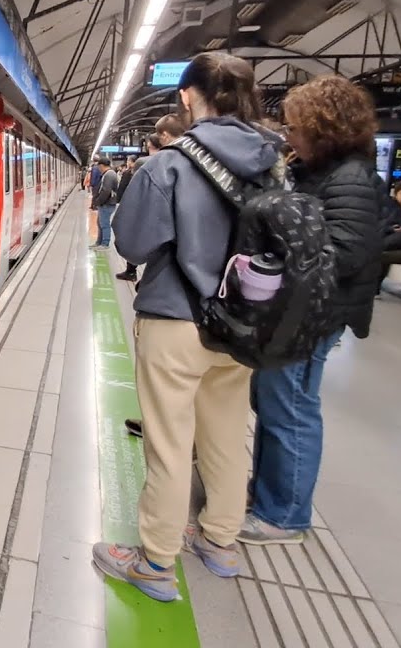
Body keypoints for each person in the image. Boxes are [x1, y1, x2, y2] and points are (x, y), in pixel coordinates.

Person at [93, 52, 278, 601]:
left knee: (170, 444)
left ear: (186, 96)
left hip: (177, 318)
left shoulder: (169, 163)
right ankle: (220, 543)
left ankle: (154, 561)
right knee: (225, 434)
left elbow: (133, 243)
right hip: (244, 322)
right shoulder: (272, 163)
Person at [240, 75, 383, 545]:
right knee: (272, 403)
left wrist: (279, 238)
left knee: (292, 410)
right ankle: (267, 495)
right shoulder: (321, 173)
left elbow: (346, 252)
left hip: (315, 316)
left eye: (296, 127)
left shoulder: (351, 179)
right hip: (299, 312)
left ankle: (284, 516)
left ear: (325, 128)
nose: (289, 135)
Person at [115, 115, 185, 283]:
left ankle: (132, 272)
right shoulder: (205, 159)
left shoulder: (148, 164)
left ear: (165, 136)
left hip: (164, 266)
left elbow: (129, 237)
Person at [91, 157, 119, 248]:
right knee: (100, 223)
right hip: (105, 203)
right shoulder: (108, 174)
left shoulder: (109, 175)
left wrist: (98, 201)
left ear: (102, 165)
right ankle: (99, 242)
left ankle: (105, 244)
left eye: (99, 167)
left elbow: (106, 190)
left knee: (104, 224)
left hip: (107, 203)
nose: (98, 169)